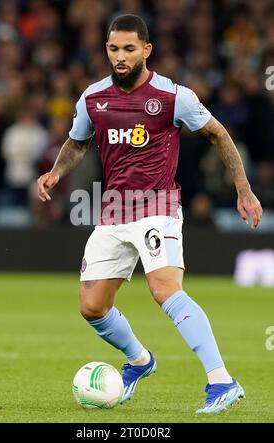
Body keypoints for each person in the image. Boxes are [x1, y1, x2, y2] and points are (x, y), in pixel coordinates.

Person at [37, 14, 263, 413]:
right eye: (113, 49)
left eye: (128, 49)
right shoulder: (93, 98)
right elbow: (77, 143)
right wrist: (56, 172)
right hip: (113, 210)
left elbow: (218, 134)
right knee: (91, 306)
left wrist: (243, 190)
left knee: (164, 290)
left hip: (158, 206)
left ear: (146, 50)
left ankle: (222, 381)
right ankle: (140, 361)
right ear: (106, 49)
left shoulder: (174, 97)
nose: (119, 57)